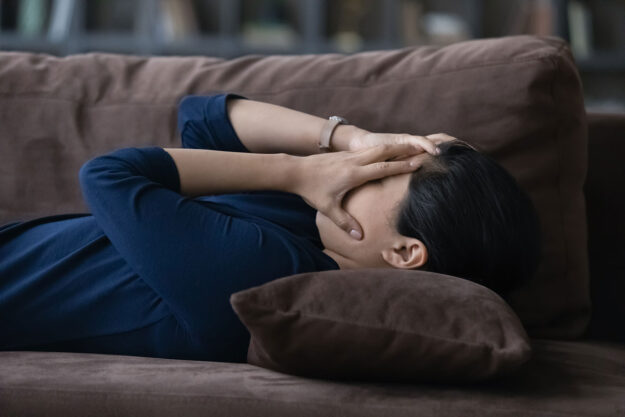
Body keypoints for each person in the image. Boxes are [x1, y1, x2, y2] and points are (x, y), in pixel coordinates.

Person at [0, 93, 540, 363]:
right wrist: (355, 139)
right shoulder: (313, 225)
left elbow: (110, 174)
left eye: (386, 171)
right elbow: (205, 118)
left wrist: (299, 169)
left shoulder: (270, 275)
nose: (368, 167)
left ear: (403, 252)